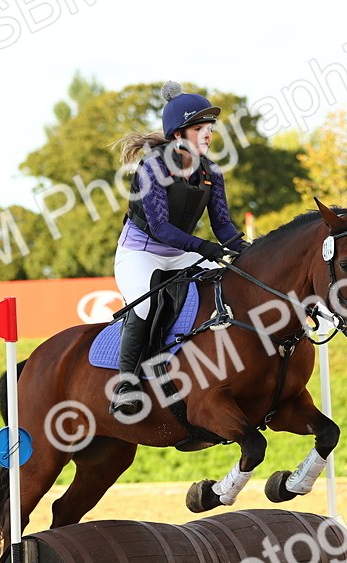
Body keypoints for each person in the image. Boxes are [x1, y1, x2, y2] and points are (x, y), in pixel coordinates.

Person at [108, 81, 246, 414]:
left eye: (209, 128)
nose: (208, 135)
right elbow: (160, 228)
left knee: (231, 284)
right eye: (199, 128)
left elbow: (222, 225)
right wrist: (204, 248)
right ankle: (126, 385)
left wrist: (245, 248)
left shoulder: (211, 172)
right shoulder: (153, 168)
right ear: (178, 135)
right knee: (146, 304)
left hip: (181, 252)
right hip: (140, 252)